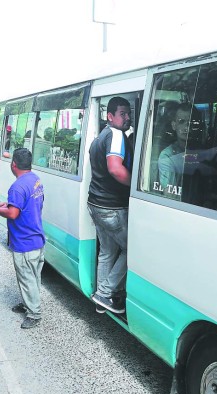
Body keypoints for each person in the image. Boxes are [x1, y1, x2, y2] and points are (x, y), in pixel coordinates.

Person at [0, 148, 45, 329]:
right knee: (33, 277)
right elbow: (25, 205)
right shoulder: (35, 180)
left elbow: (12, 213)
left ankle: (34, 314)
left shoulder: (17, 186)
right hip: (37, 238)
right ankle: (29, 304)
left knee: (26, 278)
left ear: (14, 165)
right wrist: (9, 204)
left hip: (25, 242)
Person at [87, 96, 133, 314]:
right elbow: (115, 168)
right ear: (110, 116)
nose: (127, 117)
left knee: (107, 251)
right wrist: (136, 186)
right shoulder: (115, 134)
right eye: (122, 113)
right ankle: (105, 293)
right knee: (132, 249)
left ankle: (101, 299)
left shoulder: (100, 137)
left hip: (96, 204)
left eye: (128, 113)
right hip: (112, 208)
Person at [157, 103, 203, 198]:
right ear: (174, 125)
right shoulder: (168, 156)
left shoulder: (204, 151)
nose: (187, 126)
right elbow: (171, 196)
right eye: (181, 121)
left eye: (192, 122)